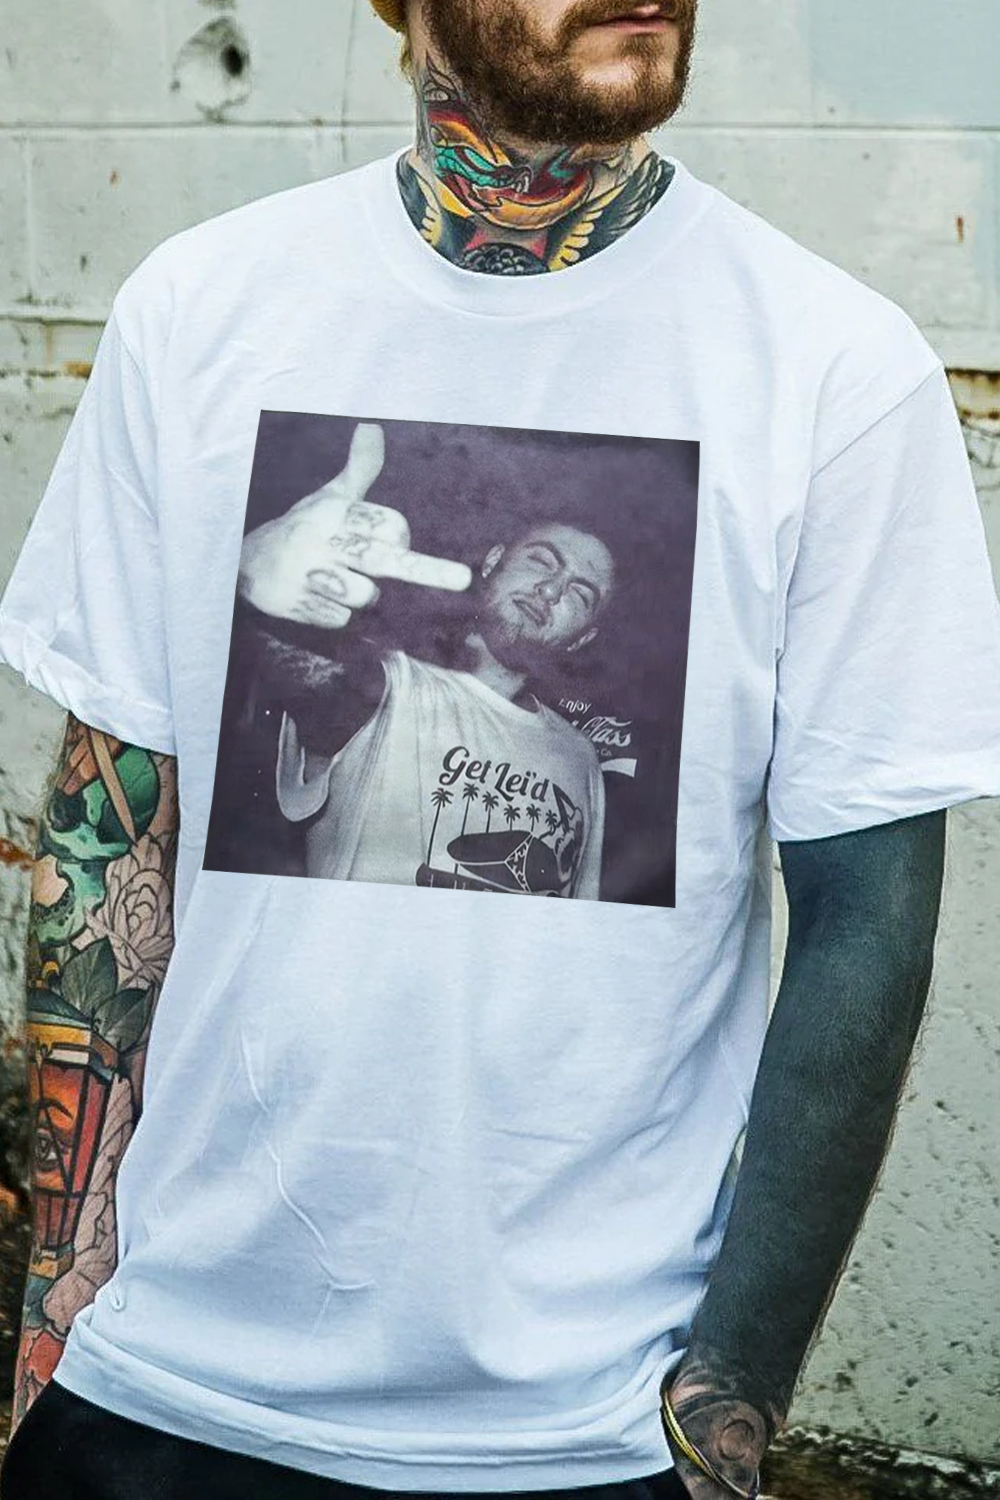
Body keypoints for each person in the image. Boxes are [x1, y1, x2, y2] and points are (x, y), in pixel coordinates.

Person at [1, 1, 999, 1497]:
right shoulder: (201, 309)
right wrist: (53, 1309)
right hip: (166, 1379)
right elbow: (108, 831)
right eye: (541, 564)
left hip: (583, 1427)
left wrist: (727, 1408)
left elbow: (868, 926)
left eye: (588, 593)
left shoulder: (835, 370)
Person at [239, 419, 613, 896]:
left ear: (581, 640)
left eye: (579, 594)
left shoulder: (581, 758)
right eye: (541, 561)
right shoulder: (388, 683)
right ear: (493, 561)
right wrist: (254, 588)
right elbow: (316, 681)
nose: (550, 590)